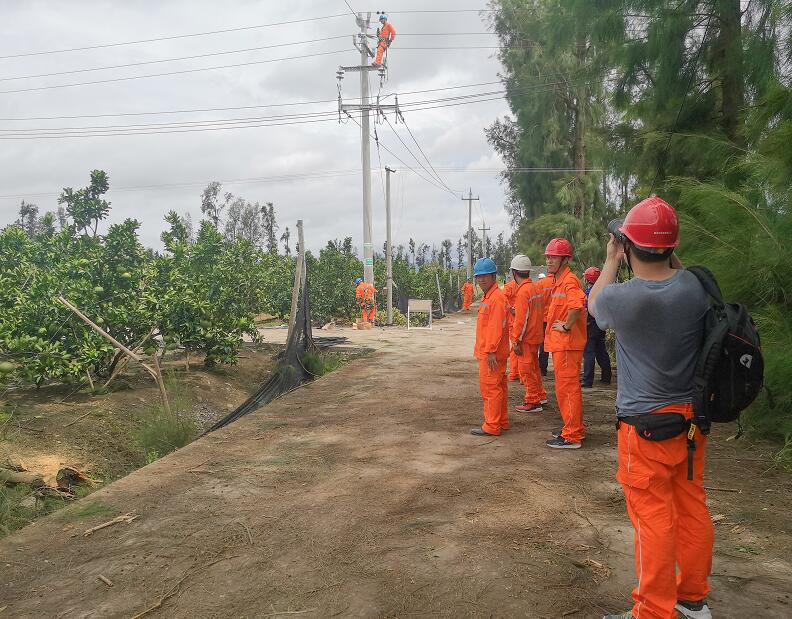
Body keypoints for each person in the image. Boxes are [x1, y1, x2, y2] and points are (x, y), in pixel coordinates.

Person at [589, 197, 713, 619]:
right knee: (691, 506)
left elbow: (594, 303)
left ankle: (653, 611)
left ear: (627, 246)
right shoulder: (695, 287)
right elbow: (674, 269)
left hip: (645, 430)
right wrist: (661, 246)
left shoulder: (624, 298)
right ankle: (693, 600)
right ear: (671, 246)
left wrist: (611, 258)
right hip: (692, 422)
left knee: (653, 518)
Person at [543, 238, 587, 449]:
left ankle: (572, 436)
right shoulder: (559, 281)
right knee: (565, 389)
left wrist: (567, 326)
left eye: (554, 257)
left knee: (567, 389)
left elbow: (577, 305)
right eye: (548, 257)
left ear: (565, 259)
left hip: (567, 345)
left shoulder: (569, 281)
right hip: (562, 345)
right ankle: (573, 428)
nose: (549, 261)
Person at [471, 258, 510, 437]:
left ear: (494, 275)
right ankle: (501, 421)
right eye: (479, 277)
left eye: (485, 276)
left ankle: (492, 425)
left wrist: (491, 350)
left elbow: (495, 327)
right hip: (492, 352)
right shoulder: (491, 297)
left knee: (490, 388)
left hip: (491, 354)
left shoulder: (495, 298)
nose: (481, 280)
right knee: (498, 387)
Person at [509, 255, 548, 413]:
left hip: (526, 337)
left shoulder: (523, 291)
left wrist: (516, 340)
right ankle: (540, 395)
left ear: (513, 273)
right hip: (536, 335)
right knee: (534, 368)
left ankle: (533, 401)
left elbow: (521, 320)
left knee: (526, 369)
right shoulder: (535, 288)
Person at [581, 267, 612, 388]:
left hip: (590, 325)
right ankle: (606, 377)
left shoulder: (588, 294)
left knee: (589, 353)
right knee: (601, 351)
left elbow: (584, 311)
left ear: (587, 279)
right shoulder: (603, 292)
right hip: (601, 325)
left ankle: (587, 381)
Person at [502, 276, 520, 381]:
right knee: (519, 347)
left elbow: (503, 298)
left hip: (515, 321)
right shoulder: (529, 287)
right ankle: (518, 373)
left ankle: (515, 373)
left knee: (516, 347)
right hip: (519, 320)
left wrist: (511, 309)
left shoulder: (511, 286)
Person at [536, 273, 550, 376]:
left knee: (544, 345)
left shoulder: (540, 284)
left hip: (543, 319)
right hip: (557, 319)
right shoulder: (559, 282)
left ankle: (542, 369)